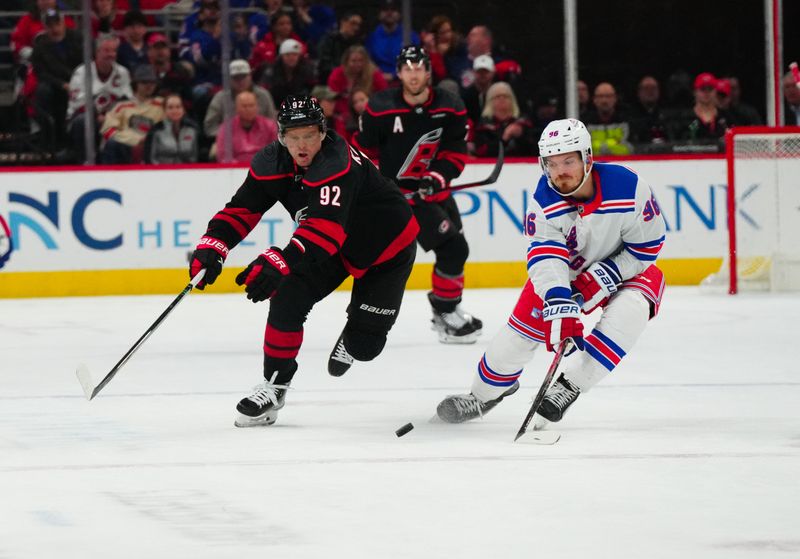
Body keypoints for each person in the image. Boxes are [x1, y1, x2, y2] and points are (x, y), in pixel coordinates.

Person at [188, 95, 419, 427]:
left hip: (386, 249)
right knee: (287, 296)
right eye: (293, 136)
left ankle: (356, 326)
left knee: (365, 346)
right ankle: (275, 386)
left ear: (323, 133)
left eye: (309, 134)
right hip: (330, 247)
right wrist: (214, 244)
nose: (301, 144)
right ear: (281, 136)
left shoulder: (336, 162)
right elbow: (242, 209)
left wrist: (281, 258)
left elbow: (326, 229)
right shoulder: (272, 163)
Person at [437, 118, 666, 427]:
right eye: (552, 163)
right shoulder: (544, 203)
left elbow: (647, 246)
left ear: (588, 158)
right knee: (513, 344)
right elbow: (545, 258)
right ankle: (483, 396)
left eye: (569, 161)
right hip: (567, 275)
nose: (560, 172)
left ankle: (568, 386)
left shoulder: (629, 187)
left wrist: (605, 275)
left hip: (628, 270)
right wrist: (559, 301)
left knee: (631, 311)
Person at [353, 45, 482, 344]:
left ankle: (446, 310)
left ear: (428, 71)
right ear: (399, 73)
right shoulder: (380, 107)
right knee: (452, 249)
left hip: (434, 194)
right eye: (407, 69)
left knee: (454, 251)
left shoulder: (450, 105)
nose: (413, 74)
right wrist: (378, 188)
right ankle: (445, 312)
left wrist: (437, 177)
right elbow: (363, 153)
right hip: (399, 200)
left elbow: (455, 151)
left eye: (418, 68)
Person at [67, 33, 133, 163]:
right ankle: (84, 162)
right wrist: (97, 116)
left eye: (114, 51)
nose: (111, 55)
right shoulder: (82, 72)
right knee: (83, 121)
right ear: (97, 52)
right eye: (107, 50)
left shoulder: (123, 73)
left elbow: (128, 102)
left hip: (112, 119)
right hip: (82, 119)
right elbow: (77, 104)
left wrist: (110, 117)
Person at [30, 8, 82, 151]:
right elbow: (40, 73)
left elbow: (87, 63)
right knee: (43, 91)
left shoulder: (78, 38)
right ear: (45, 27)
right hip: (55, 86)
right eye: (50, 25)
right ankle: (48, 138)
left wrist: (75, 82)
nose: (54, 28)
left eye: (57, 23)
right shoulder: (40, 46)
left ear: (63, 23)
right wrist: (61, 84)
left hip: (79, 81)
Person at [99, 64, 164, 164]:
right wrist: (133, 141)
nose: (149, 86)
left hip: (154, 148)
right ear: (136, 84)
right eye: (145, 82)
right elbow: (108, 130)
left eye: (152, 82)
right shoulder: (121, 106)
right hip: (125, 149)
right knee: (112, 144)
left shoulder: (162, 104)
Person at [204, 59, 276, 139]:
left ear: (250, 76)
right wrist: (226, 136)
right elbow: (210, 126)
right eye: (236, 78)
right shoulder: (221, 97)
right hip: (229, 141)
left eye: (243, 76)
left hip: (260, 140)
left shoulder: (263, 95)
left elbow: (272, 121)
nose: (240, 81)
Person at [472, 81, 534, 157]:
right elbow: (482, 153)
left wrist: (520, 137)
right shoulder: (483, 127)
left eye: (505, 96)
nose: (502, 99)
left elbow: (534, 150)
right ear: (490, 101)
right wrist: (504, 138)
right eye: (497, 97)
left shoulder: (523, 123)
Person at [214, 90, 278, 163]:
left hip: (263, 167)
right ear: (236, 108)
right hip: (235, 168)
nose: (248, 109)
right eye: (244, 106)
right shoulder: (226, 128)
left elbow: (276, 152)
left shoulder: (270, 126)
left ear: (257, 107)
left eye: (251, 105)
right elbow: (223, 156)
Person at [365, 0, 419, 82]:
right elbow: (368, 61)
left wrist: (394, 75)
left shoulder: (410, 35)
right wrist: (379, 76)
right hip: (377, 81)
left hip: (405, 80)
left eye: (393, 10)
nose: (389, 13)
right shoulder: (371, 37)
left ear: (399, 14)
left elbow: (415, 60)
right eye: (385, 10)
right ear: (379, 14)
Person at [326, 45, 387, 116]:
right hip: (342, 114)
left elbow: (383, 95)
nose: (358, 64)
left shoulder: (374, 74)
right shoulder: (337, 74)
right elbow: (332, 98)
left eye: (361, 60)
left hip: (370, 112)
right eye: (353, 61)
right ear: (346, 62)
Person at [259, 38, 317, 106]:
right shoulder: (271, 71)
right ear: (281, 56)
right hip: (276, 107)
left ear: (299, 56)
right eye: (287, 55)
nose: (291, 58)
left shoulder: (308, 70)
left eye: (294, 55)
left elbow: (313, 90)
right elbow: (265, 92)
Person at [144, 94, 200, 164]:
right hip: (161, 171)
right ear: (164, 110)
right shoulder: (155, 130)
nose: (175, 110)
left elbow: (195, 157)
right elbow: (150, 159)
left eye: (178, 107)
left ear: (183, 109)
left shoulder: (192, 129)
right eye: (170, 107)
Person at [580, 82, 633, 155]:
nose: (604, 100)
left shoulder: (626, 120)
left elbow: (631, 148)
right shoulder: (584, 123)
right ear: (594, 99)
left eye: (608, 96)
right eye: (600, 96)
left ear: (615, 98)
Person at [316, 11, 364, 84]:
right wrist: (344, 72)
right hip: (329, 81)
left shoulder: (357, 43)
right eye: (353, 23)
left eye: (358, 25)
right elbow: (324, 64)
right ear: (343, 22)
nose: (356, 28)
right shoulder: (328, 40)